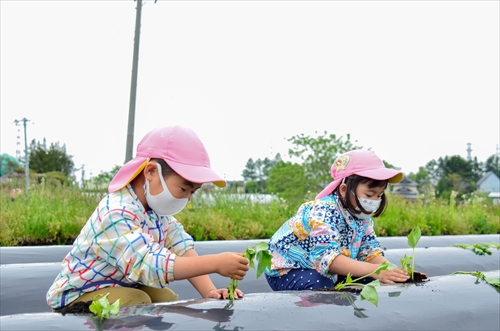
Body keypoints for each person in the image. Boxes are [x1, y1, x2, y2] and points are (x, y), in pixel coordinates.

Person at [47, 125, 249, 311]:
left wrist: (209, 292)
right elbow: (150, 264)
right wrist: (215, 263)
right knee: (135, 300)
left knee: (165, 297)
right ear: (151, 171)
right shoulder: (116, 213)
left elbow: (181, 247)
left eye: (193, 192)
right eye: (184, 188)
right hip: (78, 296)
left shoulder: (156, 214)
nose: (187, 198)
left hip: (117, 285)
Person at [264, 149, 409, 291]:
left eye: (379, 195)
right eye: (369, 194)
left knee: (373, 278)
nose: (375, 200)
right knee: (321, 284)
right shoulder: (323, 211)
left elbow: (369, 252)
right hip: (287, 270)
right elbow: (327, 258)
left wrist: (393, 272)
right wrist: (375, 270)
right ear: (344, 190)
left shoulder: (362, 217)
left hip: (324, 269)